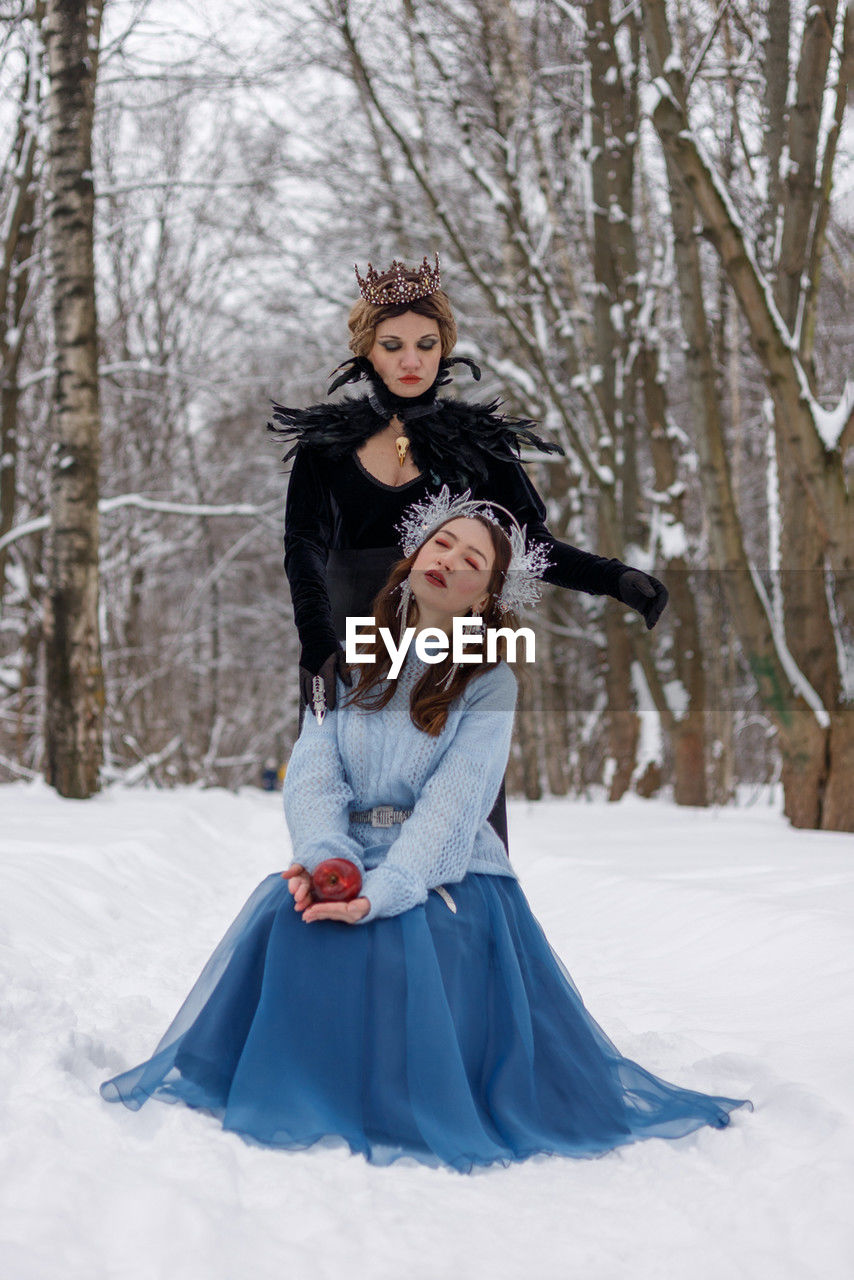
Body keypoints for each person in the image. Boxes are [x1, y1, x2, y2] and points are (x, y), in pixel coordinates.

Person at [100, 497, 749, 1172]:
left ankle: (415, 1093)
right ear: (413, 558)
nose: (450, 561)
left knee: (415, 939)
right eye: (442, 544)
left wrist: (388, 889)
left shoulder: (492, 681)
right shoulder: (347, 659)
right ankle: (305, 1078)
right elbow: (314, 774)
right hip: (352, 853)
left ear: (485, 596)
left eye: (473, 561)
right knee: (291, 913)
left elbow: (457, 802)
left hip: (449, 870)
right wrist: (329, 860)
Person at [270, 254, 668, 847]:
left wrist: (616, 579)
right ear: (367, 351)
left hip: (449, 657)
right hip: (348, 652)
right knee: (338, 823)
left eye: (426, 344)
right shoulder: (326, 445)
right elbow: (302, 547)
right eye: (393, 344)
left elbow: (530, 545)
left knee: (459, 826)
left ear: (445, 347)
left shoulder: (480, 444)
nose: (411, 361)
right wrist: (317, 642)